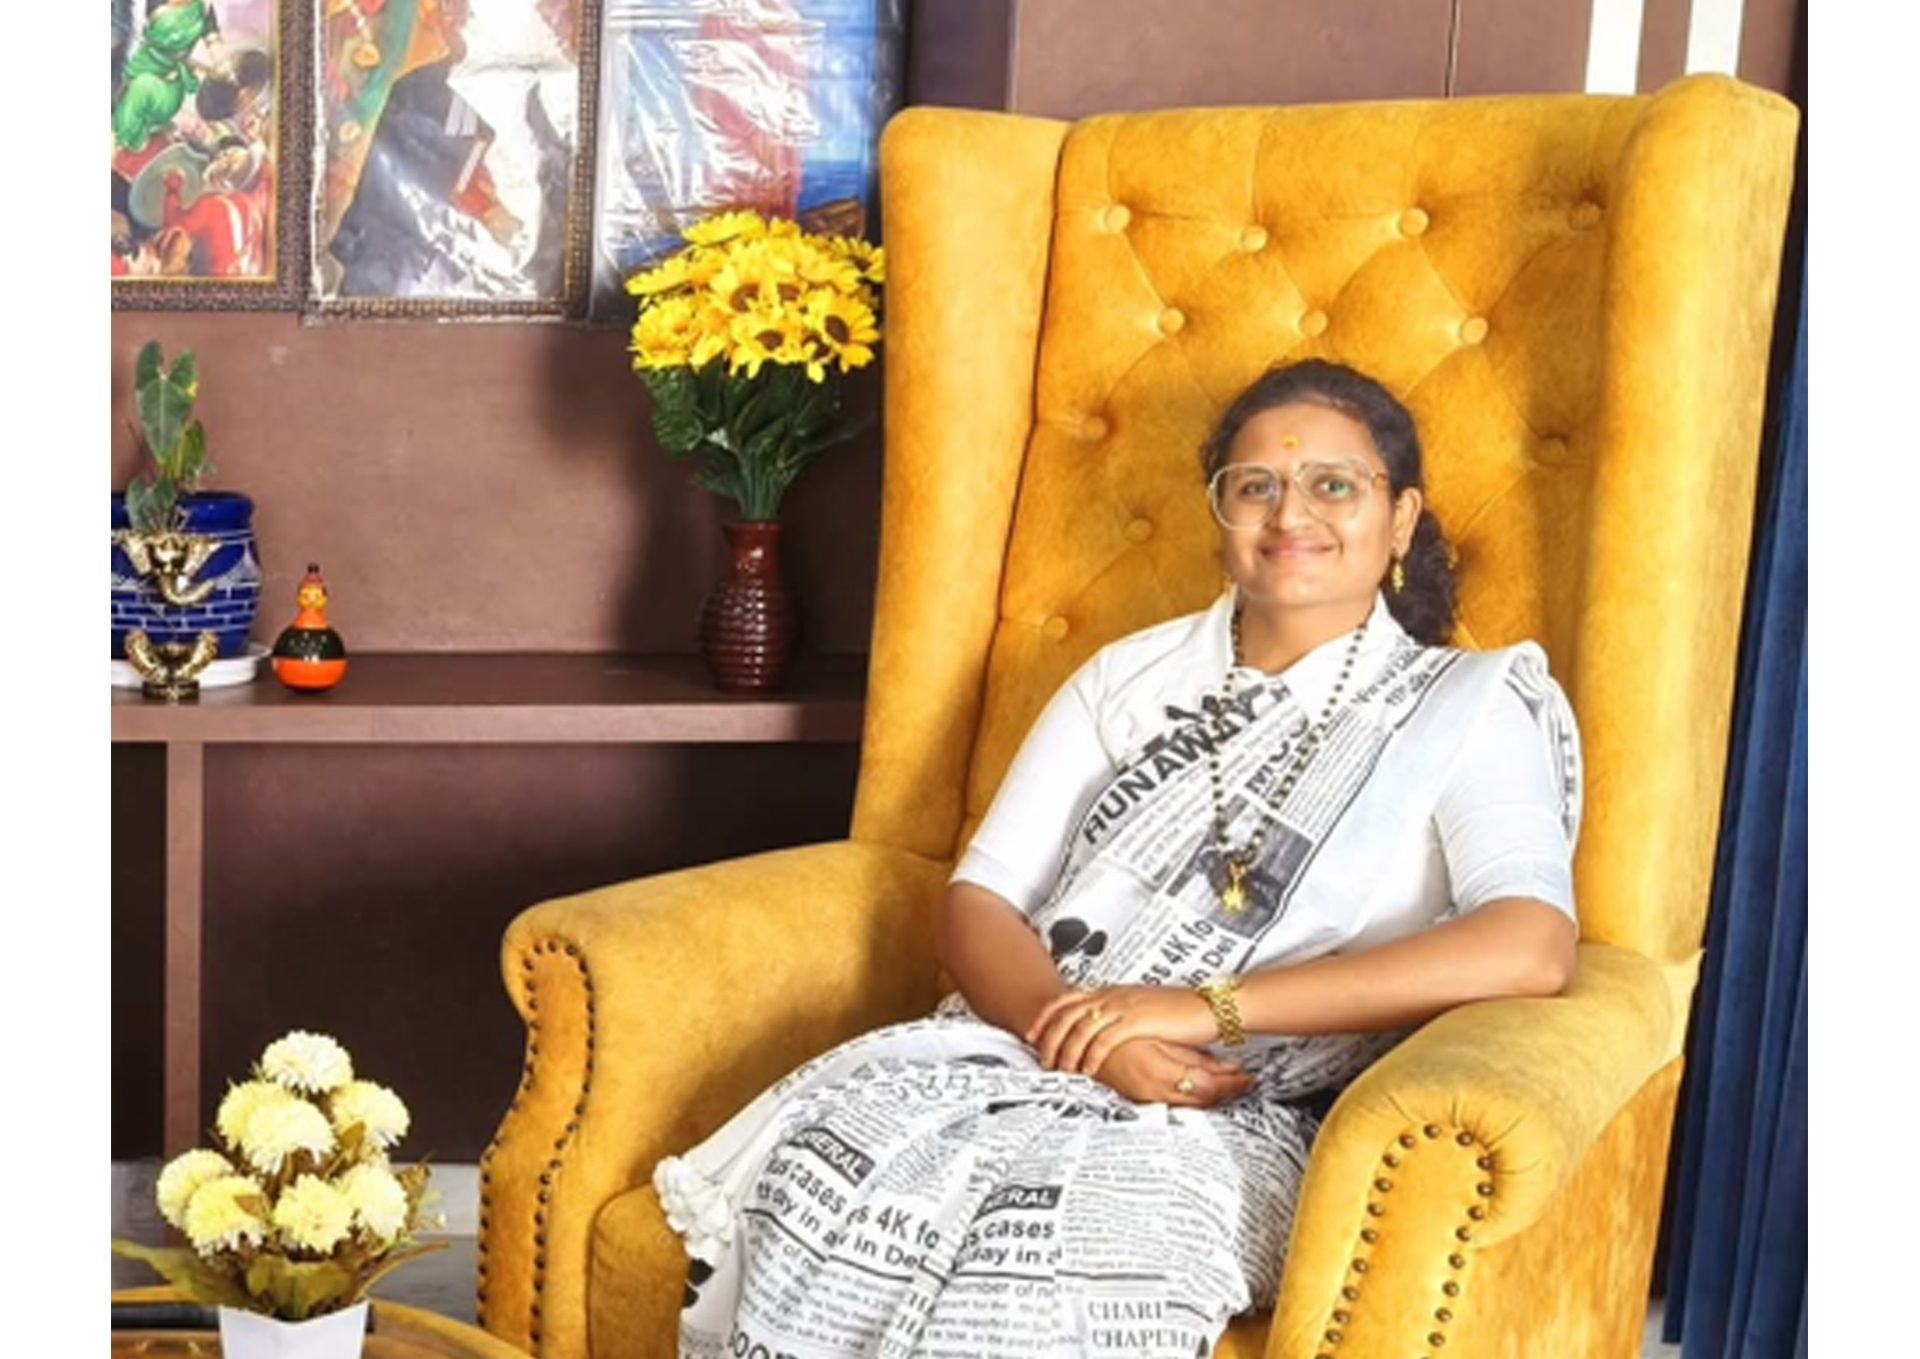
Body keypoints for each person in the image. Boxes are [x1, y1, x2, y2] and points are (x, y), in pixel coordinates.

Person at [652, 359, 1583, 1359]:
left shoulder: (1463, 709)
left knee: (1072, 1260)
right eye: (1255, 485)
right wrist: (1090, 1041)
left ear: (1399, 519)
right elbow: (980, 899)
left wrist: (1203, 1009)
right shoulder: (1130, 678)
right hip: (1030, 1050)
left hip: (1253, 1107)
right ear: (1219, 513)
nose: (1290, 513)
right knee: (832, 1174)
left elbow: (1529, 943)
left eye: (1334, 485)